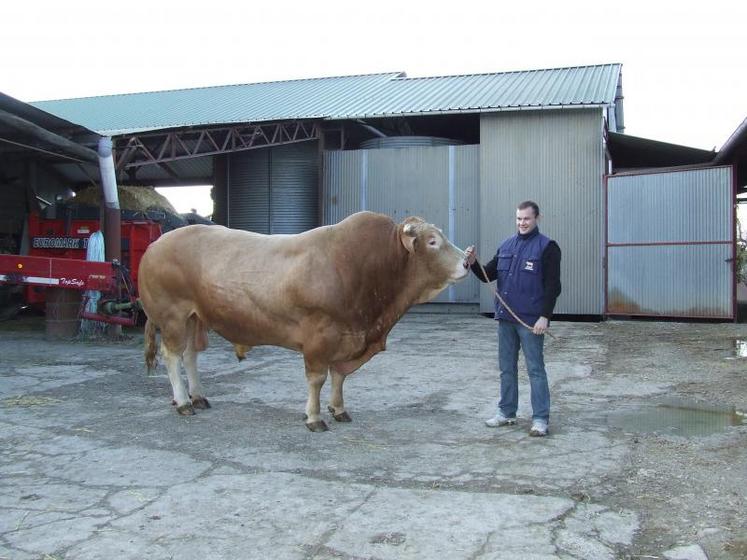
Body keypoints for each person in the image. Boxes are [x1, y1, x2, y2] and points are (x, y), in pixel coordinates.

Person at [464, 201, 561, 437]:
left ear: (537, 218)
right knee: (506, 369)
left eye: (526, 219)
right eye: (519, 219)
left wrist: (544, 317)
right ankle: (507, 413)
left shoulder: (548, 247)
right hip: (505, 319)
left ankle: (540, 419)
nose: (522, 223)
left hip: (530, 322)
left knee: (535, 370)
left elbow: (553, 287)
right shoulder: (507, 245)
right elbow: (488, 275)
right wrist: (473, 262)